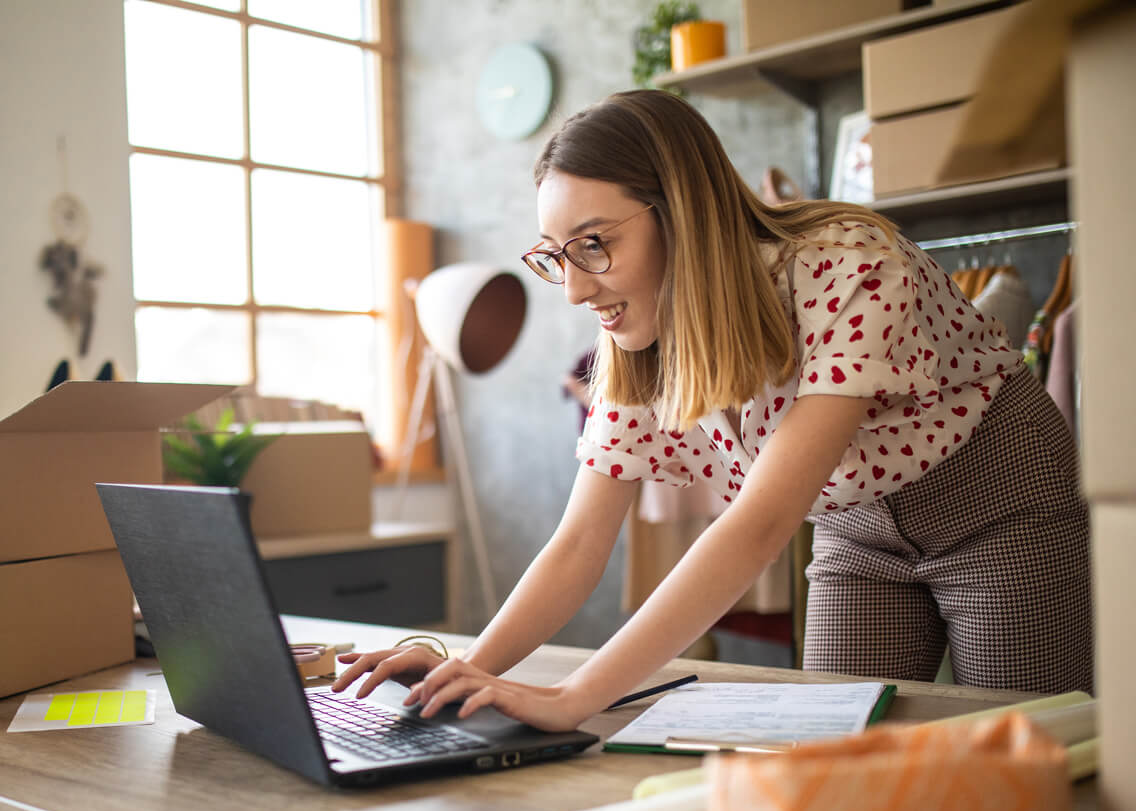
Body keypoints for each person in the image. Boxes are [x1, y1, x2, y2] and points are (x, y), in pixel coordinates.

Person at [333, 90, 1092, 729]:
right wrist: (462, 669)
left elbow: (759, 527)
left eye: (593, 244)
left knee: (1034, 747)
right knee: (830, 752)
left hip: (998, 502)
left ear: (683, 215)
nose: (573, 288)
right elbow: (579, 544)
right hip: (856, 530)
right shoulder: (635, 346)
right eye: (557, 255)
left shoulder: (852, 265)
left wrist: (576, 697)